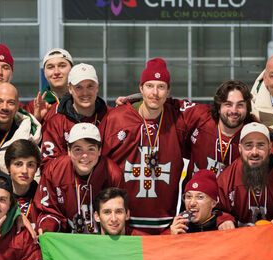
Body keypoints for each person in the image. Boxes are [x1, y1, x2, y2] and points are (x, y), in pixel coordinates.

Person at [100, 58, 192, 234]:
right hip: (123, 225)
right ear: (140, 88)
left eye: (161, 86)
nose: (155, 93)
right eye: (149, 86)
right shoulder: (117, 118)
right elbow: (101, 165)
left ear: (168, 91)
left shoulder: (177, 120)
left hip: (167, 226)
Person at [37, 123, 125, 234]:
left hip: (102, 241)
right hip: (67, 242)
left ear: (100, 150)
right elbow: (49, 211)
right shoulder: (55, 171)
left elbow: (118, 215)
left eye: (91, 149)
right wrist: (47, 228)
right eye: (78, 149)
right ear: (68, 150)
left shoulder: (113, 174)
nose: (85, 155)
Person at [181, 79, 253, 177]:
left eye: (240, 105)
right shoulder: (201, 117)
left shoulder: (254, 134)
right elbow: (170, 107)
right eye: (228, 104)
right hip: (195, 191)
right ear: (219, 107)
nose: (234, 110)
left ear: (247, 108)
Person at [40, 63, 108, 160]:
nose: (85, 93)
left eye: (90, 86)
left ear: (97, 87)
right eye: (79, 87)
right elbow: (48, 165)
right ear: (70, 89)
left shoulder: (110, 117)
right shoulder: (56, 123)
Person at [0, 82, 42, 171]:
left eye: (11, 102)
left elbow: (34, 179)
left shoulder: (28, 139)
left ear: (17, 105)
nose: (4, 107)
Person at [26, 48, 73, 120]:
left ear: (72, 69)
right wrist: (36, 120)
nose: (56, 72)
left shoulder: (83, 101)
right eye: (50, 67)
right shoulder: (33, 107)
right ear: (44, 73)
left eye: (62, 66)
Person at [4, 138, 42, 221]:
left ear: (36, 169)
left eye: (30, 165)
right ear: (8, 167)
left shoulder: (42, 196)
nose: (24, 171)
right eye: (18, 164)